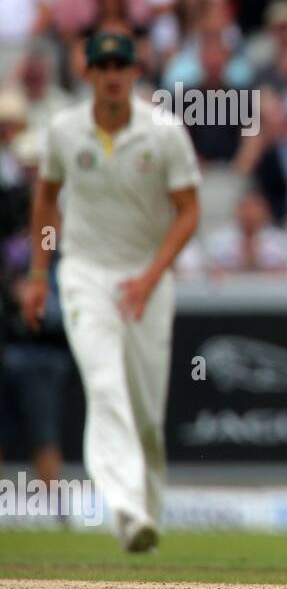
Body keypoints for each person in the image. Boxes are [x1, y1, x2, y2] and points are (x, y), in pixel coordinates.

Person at [25, 31, 200, 551]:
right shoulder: (63, 129)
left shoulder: (164, 132)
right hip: (84, 273)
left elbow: (189, 212)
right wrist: (39, 275)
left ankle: (146, 511)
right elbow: (46, 200)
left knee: (147, 413)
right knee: (104, 385)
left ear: (133, 72)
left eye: (121, 65)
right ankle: (124, 509)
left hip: (146, 275)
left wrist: (149, 278)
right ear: (89, 74)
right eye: (103, 65)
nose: (112, 75)